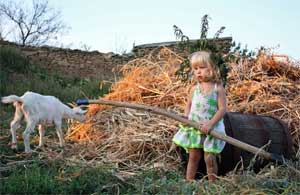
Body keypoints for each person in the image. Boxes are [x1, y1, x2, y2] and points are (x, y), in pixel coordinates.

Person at [172, 51, 227, 182]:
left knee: (209, 158)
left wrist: (210, 124)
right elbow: (189, 105)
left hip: (210, 129)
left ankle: (213, 183)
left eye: (202, 68)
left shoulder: (217, 88)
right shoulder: (194, 89)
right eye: (195, 69)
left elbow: (222, 109)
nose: (198, 72)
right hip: (194, 127)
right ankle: (189, 181)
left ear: (212, 68)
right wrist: (185, 117)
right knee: (193, 156)